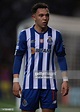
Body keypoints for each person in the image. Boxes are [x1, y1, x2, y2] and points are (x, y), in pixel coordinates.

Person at [13, 2, 69, 112]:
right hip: (30, 84)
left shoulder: (56, 35)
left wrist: (65, 80)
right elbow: (18, 58)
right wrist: (15, 81)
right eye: (41, 15)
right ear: (34, 17)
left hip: (49, 85)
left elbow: (61, 57)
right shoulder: (25, 34)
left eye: (47, 15)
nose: (45, 18)